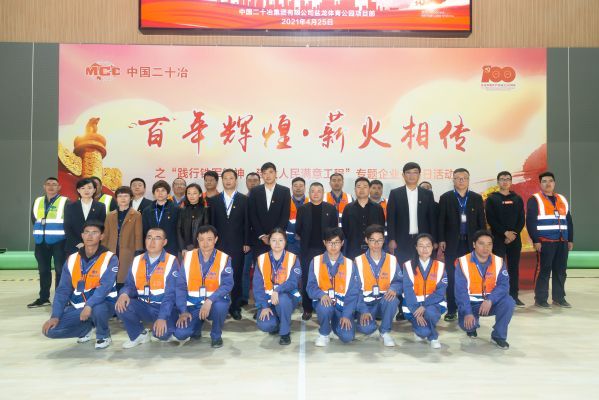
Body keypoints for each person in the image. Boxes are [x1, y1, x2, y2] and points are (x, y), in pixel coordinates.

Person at [41, 221, 118, 349]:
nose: (90, 236)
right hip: (79, 307)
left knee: (98, 309)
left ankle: (103, 335)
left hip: (104, 304)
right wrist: (55, 316)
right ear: (82, 235)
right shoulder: (72, 259)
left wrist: (89, 305)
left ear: (101, 236)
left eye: (94, 232)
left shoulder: (110, 258)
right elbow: (63, 290)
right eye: (86, 232)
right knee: (50, 331)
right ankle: (85, 329)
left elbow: (105, 287)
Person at [115, 227, 182, 348]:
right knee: (121, 305)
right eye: (149, 238)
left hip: (163, 307)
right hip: (144, 306)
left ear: (164, 242)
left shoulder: (171, 261)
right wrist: (124, 293)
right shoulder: (137, 260)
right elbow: (129, 285)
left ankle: (164, 328)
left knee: (162, 335)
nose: (152, 242)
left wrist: (162, 317)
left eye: (157, 238)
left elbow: (171, 294)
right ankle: (138, 335)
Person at [438, 168, 486, 321]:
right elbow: (441, 221)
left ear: (468, 180)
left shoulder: (476, 198)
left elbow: (481, 222)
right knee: (452, 277)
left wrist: (482, 241)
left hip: (471, 245)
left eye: (464, 178)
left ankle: (468, 309)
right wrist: (441, 239)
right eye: (458, 178)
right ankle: (452, 309)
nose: (461, 180)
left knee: (469, 277)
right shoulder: (446, 197)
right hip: (452, 244)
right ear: (453, 180)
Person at [174, 225, 233, 348]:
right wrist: (183, 311)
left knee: (220, 306)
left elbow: (227, 284)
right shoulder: (188, 257)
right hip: (193, 304)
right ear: (197, 240)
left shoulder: (224, 258)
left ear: (216, 239)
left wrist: (210, 300)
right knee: (181, 334)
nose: (205, 244)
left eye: (209, 239)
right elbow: (180, 286)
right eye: (201, 239)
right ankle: (196, 328)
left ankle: (216, 336)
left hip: (214, 303)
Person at [455, 230, 515, 349]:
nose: (486, 248)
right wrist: (467, 313)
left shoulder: (498, 261)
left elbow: (504, 285)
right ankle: (472, 326)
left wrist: (490, 300)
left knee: (509, 302)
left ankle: (498, 336)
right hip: (471, 305)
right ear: (474, 244)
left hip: (490, 303)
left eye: (489, 244)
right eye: (481, 243)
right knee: (468, 325)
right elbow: (460, 292)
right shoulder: (462, 262)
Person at [526, 171, 574, 308]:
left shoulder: (562, 199)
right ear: (540, 184)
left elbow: (569, 221)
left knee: (561, 271)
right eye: (544, 181)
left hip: (562, 241)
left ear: (554, 183)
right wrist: (536, 240)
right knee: (544, 270)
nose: (548, 183)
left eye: (550, 181)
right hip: (545, 241)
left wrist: (570, 239)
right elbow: (530, 221)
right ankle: (540, 299)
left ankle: (559, 298)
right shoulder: (535, 199)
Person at [208, 169, 250, 320]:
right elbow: (211, 224)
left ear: (236, 181)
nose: (228, 181)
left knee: (236, 275)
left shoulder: (244, 200)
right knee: (218, 276)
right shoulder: (214, 200)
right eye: (225, 178)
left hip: (238, 244)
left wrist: (246, 241)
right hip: (218, 245)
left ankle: (235, 307)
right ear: (222, 181)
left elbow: (247, 222)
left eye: (231, 178)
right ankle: (219, 306)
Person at [307, 227, 360, 347]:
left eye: (336, 242)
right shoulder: (315, 261)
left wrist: (346, 315)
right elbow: (310, 286)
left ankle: (335, 326)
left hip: (342, 307)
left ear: (342, 243)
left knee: (347, 337)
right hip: (324, 303)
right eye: (330, 242)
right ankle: (324, 333)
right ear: (324, 243)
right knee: (325, 307)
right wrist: (321, 294)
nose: (333, 246)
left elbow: (353, 292)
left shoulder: (350, 264)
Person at [295, 182, 339, 320]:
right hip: (307, 250)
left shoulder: (330, 208)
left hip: (326, 250)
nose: (315, 194)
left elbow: (334, 230)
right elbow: (298, 229)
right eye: (313, 191)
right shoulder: (303, 209)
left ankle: (327, 305)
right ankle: (307, 308)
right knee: (307, 279)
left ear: (323, 193)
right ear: (309, 193)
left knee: (327, 278)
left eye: (319, 191)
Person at [354, 225, 401, 347]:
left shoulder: (392, 259)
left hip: (384, 301)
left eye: (379, 240)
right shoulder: (358, 261)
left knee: (393, 300)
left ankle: (385, 332)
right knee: (365, 329)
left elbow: (399, 281)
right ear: (366, 240)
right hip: (366, 304)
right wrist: (363, 310)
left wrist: (394, 288)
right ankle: (372, 326)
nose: (376, 244)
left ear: (384, 240)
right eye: (372, 240)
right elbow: (355, 290)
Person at [253, 228, 302, 345]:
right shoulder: (261, 259)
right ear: (269, 242)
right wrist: (264, 306)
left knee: (282, 299)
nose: (277, 243)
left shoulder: (293, 258)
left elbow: (293, 282)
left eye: (280, 240)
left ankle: (285, 333)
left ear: (285, 242)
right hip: (268, 300)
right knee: (265, 325)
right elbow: (257, 286)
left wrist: (278, 290)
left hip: (288, 298)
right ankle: (277, 322)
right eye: (274, 240)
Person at [485, 171, 526, 306]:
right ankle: (497, 297)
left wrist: (513, 234)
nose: (505, 181)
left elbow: (521, 219)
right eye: (502, 179)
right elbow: (491, 219)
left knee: (514, 268)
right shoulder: (492, 199)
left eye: (508, 179)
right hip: (498, 239)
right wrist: (505, 233)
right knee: (498, 269)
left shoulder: (517, 198)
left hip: (515, 239)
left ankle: (514, 296)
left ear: (511, 182)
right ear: (498, 182)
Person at [28, 177, 69, 308]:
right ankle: (44, 298)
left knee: (60, 270)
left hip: (59, 242)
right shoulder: (37, 201)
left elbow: (69, 221)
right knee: (43, 270)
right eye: (48, 184)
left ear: (59, 187)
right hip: (41, 242)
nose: (51, 186)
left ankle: (60, 298)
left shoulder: (65, 201)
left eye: (54, 184)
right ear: (44, 187)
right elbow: (34, 219)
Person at [402, 233, 447, 349]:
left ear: (433, 247)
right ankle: (420, 329)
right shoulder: (408, 266)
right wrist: (416, 311)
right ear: (416, 248)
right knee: (423, 332)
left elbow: (440, 291)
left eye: (428, 245)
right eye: (421, 246)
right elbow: (408, 291)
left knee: (430, 313)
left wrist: (424, 306)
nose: (425, 249)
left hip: (433, 305)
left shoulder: (440, 266)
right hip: (414, 307)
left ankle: (433, 337)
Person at [387, 162, 437, 264]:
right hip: (402, 239)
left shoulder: (427, 194)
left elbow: (432, 218)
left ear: (419, 175)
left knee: (421, 267)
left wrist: (434, 240)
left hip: (422, 240)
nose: (412, 175)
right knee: (403, 266)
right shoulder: (395, 193)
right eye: (408, 173)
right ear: (403, 175)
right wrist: (392, 239)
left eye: (415, 172)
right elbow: (391, 218)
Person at [102, 186, 143, 292]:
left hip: (128, 250)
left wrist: (138, 251)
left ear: (131, 198)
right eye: (120, 196)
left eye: (126, 196)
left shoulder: (136, 215)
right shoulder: (110, 215)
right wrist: (102, 250)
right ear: (116, 198)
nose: (123, 198)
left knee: (124, 277)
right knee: (111, 275)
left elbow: (138, 235)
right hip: (111, 249)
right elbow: (106, 234)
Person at [249, 162, 291, 256]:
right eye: (265, 173)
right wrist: (262, 235)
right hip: (259, 239)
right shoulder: (255, 191)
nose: (268, 176)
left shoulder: (284, 191)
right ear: (262, 175)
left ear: (276, 173)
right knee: (260, 264)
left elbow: (285, 215)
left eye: (271, 172)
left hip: (278, 239)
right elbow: (252, 215)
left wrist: (274, 235)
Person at [341, 177, 385, 259]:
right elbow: (345, 230)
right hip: (353, 249)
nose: (361, 189)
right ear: (355, 190)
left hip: (374, 248)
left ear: (369, 189)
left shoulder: (378, 208)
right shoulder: (348, 208)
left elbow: (381, 227)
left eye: (365, 187)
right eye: (359, 187)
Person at [64, 178, 107, 256]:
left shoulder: (100, 206)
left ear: (94, 190)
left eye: (89, 188)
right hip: (74, 247)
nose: (86, 191)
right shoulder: (70, 206)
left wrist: (91, 243)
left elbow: (101, 227)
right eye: (83, 188)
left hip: (94, 246)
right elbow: (67, 227)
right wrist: (79, 244)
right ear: (78, 190)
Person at [142, 180, 180, 257]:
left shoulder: (176, 209)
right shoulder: (147, 210)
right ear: (153, 194)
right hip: (152, 246)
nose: (160, 193)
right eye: (157, 191)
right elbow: (145, 230)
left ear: (168, 193)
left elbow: (178, 229)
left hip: (171, 247)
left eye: (163, 190)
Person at [242, 172, 261, 306]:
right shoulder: (241, 199)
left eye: (255, 181)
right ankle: (244, 298)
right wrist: (245, 241)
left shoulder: (264, 198)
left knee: (260, 271)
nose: (253, 183)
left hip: (261, 241)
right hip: (246, 242)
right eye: (250, 181)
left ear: (259, 182)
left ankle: (260, 299)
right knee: (244, 270)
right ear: (246, 183)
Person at [177, 183, 210, 253]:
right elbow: (179, 230)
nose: (191, 196)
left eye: (194, 193)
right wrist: (183, 248)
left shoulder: (205, 210)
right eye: (189, 193)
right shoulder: (182, 210)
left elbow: (207, 230)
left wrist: (200, 247)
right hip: (185, 248)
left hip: (201, 247)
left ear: (200, 194)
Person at [287, 177, 309, 255]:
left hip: (308, 241)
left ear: (305, 188)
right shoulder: (285, 202)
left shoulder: (311, 202)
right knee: (291, 262)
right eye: (295, 185)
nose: (298, 188)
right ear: (292, 188)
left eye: (301, 186)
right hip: (290, 241)